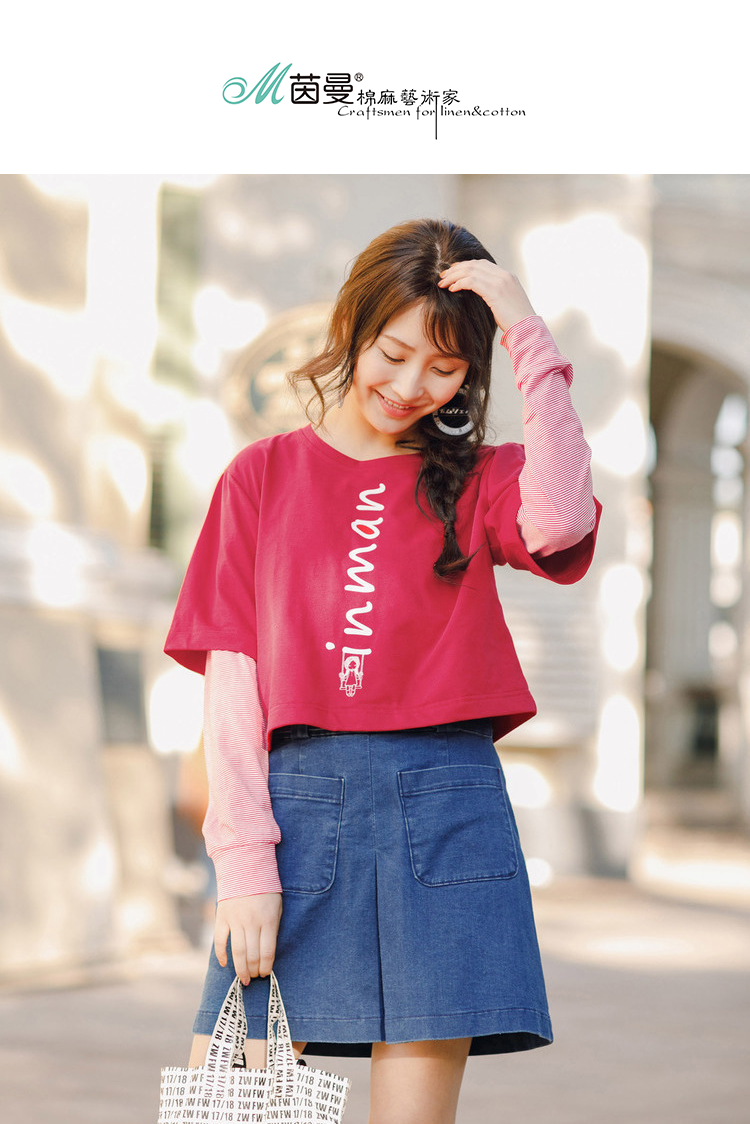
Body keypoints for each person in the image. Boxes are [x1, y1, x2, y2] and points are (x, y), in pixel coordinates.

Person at [164, 217, 601, 1124]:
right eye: (393, 354)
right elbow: (233, 681)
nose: (409, 388)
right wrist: (243, 865)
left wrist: (524, 327)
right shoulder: (261, 476)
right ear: (352, 329)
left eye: (444, 369)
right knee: (229, 1100)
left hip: (447, 807)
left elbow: (561, 516)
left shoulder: (479, 478)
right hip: (296, 811)